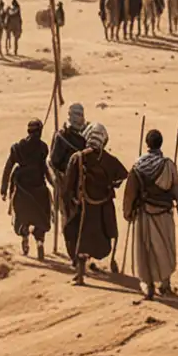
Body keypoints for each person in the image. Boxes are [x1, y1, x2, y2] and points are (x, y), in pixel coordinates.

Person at [64, 121, 126, 285]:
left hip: (81, 207)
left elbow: (67, 187)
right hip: (101, 210)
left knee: (78, 238)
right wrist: (110, 185)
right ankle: (85, 271)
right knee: (94, 238)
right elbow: (122, 175)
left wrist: (69, 205)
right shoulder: (109, 159)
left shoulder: (77, 158)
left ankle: (80, 275)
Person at [122, 127, 178, 298]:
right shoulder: (168, 165)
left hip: (144, 214)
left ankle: (148, 286)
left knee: (145, 251)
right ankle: (165, 284)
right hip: (164, 214)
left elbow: (130, 193)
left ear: (146, 144)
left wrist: (128, 213)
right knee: (165, 248)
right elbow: (177, 193)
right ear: (160, 144)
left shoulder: (137, 166)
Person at [0, 118, 52, 258]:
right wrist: (53, 183)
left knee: (22, 217)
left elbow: (8, 167)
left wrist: (4, 188)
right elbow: (44, 168)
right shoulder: (42, 147)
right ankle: (39, 241)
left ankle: (25, 237)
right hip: (38, 188)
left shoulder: (19, 147)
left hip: (22, 189)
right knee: (41, 216)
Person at [50, 101, 89, 222]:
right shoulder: (88, 133)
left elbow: (54, 161)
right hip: (84, 180)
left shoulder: (61, 136)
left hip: (66, 179)